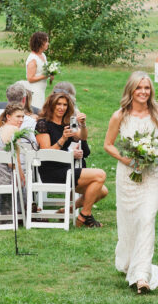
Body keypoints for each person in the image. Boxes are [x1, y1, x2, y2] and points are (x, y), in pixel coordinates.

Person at [103, 72, 158, 294]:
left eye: (147, 88)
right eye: (139, 88)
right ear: (131, 90)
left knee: (147, 219)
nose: (144, 92)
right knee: (129, 223)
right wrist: (126, 159)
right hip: (127, 176)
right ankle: (130, 262)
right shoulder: (120, 115)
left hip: (152, 175)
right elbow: (108, 144)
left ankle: (142, 275)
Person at [35, 92, 108, 227]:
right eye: (59, 104)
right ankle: (84, 216)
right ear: (51, 105)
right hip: (51, 171)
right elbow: (46, 154)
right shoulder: (42, 124)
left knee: (103, 191)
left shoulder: (67, 123)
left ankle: (69, 209)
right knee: (100, 174)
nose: (61, 108)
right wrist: (63, 139)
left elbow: (82, 137)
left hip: (67, 169)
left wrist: (83, 125)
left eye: (64, 105)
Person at [25, 31, 52, 109]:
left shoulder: (43, 55)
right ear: (40, 43)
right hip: (35, 90)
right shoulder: (33, 59)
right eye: (46, 41)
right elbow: (30, 78)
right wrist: (45, 76)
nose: (48, 43)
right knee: (37, 110)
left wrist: (50, 75)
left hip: (41, 89)